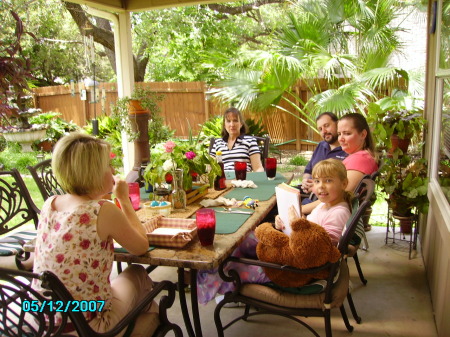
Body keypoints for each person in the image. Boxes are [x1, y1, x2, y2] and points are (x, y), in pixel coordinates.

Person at [31, 133, 159, 336]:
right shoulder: (101, 210)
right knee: (139, 275)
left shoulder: (50, 203)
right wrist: (124, 200)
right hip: (85, 328)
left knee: (125, 288)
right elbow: (141, 247)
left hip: (42, 321)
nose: (113, 171)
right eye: (108, 166)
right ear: (95, 172)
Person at [197, 159, 352, 304]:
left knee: (232, 270)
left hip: (295, 270)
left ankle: (210, 284)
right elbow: (310, 229)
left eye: (328, 181)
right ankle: (219, 273)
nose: (320, 186)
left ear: (344, 183)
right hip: (290, 251)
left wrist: (296, 223)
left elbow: (319, 252)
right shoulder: (325, 205)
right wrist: (286, 221)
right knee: (243, 241)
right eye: (317, 181)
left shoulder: (338, 213)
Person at [301, 113, 378, 216]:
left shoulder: (360, 160)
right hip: (323, 208)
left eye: (347, 133)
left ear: (363, 134)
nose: (340, 139)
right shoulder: (357, 156)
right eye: (339, 133)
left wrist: (300, 210)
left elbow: (335, 198)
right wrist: (316, 186)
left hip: (327, 215)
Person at [301, 112, 348, 195]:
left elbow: (343, 183)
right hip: (307, 193)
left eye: (326, 126)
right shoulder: (321, 145)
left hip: (325, 197)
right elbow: (308, 170)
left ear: (337, 124)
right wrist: (305, 181)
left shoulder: (347, 150)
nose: (324, 131)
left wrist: (316, 186)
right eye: (320, 129)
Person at [210, 107, 264, 172]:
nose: (232, 124)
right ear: (224, 125)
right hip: (222, 180)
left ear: (241, 123)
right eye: (228, 121)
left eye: (235, 120)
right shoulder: (217, 143)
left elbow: (258, 168)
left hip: (243, 180)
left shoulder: (250, 141)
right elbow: (210, 167)